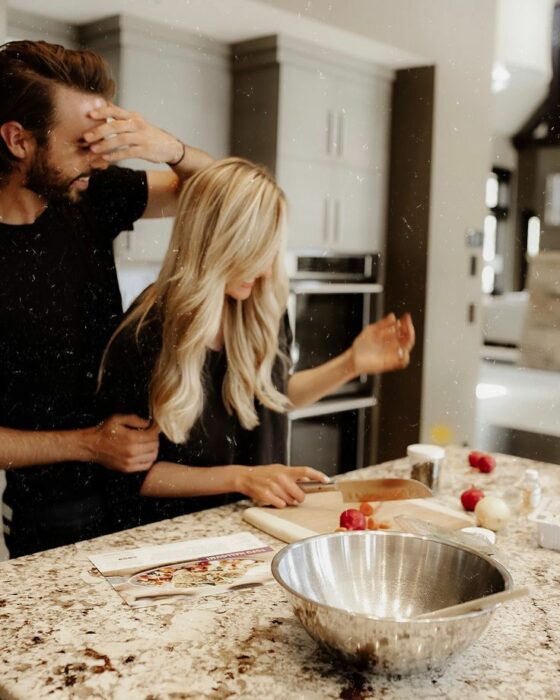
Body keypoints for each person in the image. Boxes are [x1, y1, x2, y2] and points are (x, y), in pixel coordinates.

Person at [98, 157, 415, 531]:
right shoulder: (147, 331)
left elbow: (272, 396)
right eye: (255, 252)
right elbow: (135, 475)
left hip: (259, 527)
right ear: (216, 243)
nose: (266, 270)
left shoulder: (260, 307)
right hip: (179, 540)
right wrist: (242, 478)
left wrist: (351, 363)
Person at [0, 39, 213, 557]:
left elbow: (224, 192)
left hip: (146, 481)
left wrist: (169, 149)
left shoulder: (91, 193)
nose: (97, 162)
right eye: (81, 144)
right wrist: (91, 444)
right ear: (18, 139)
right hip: (52, 512)